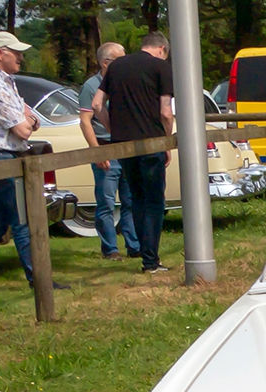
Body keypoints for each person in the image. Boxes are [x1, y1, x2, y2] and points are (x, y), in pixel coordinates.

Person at [0, 30, 69, 292]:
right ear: (0, 54)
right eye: (16, 53)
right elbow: (23, 128)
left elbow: (30, 117)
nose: (21, 58)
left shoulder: (5, 80)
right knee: (23, 218)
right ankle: (39, 280)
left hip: (0, 154)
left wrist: (28, 118)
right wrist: (27, 119)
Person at [94, 32, 173, 274]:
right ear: (161, 49)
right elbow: (166, 112)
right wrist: (167, 142)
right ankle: (150, 260)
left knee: (136, 199)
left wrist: (112, 129)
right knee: (154, 201)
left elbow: (97, 104)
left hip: (124, 145)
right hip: (151, 143)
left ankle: (146, 256)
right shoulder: (161, 67)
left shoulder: (116, 67)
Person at [78, 41, 139, 261]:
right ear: (106, 63)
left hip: (126, 149)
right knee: (106, 203)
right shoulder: (91, 86)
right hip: (105, 149)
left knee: (130, 200)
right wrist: (97, 153)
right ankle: (110, 249)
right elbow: (85, 121)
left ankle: (134, 246)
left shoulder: (123, 82)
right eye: (120, 60)